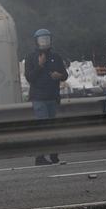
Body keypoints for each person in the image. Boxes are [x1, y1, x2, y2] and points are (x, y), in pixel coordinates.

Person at [24, 28, 68, 165]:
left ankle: (54, 154)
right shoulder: (31, 57)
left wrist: (59, 76)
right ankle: (40, 157)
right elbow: (30, 77)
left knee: (52, 127)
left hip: (53, 97)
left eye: (47, 39)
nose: (45, 42)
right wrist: (40, 65)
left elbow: (65, 75)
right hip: (38, 98)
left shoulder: (56, 56)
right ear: (36, 42)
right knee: (43, 127)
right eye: (42, 40)